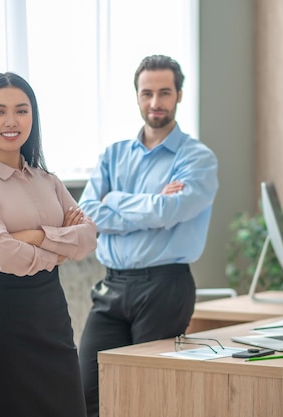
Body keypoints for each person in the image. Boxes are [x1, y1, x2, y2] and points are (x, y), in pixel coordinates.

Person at [77, 54, 218, 417]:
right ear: (137, 96)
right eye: (147, 93)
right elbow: (85, 214)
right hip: (112, 286)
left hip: (163, 288)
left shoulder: (197, 158)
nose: (155, 103)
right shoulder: (114, 154)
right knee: (87, 393)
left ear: (179, 95)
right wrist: (151, 204)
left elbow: (172, 212)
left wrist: (116, 201)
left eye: (164, 93)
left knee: (150, 399)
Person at [0, 72, 97, 417]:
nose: (12, 121)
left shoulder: (48, 180)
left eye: (22, 110)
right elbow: (0, 252)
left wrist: (28, 237)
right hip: (4, 320)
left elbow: (88, 237)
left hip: (52, 316)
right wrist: (60, 241)